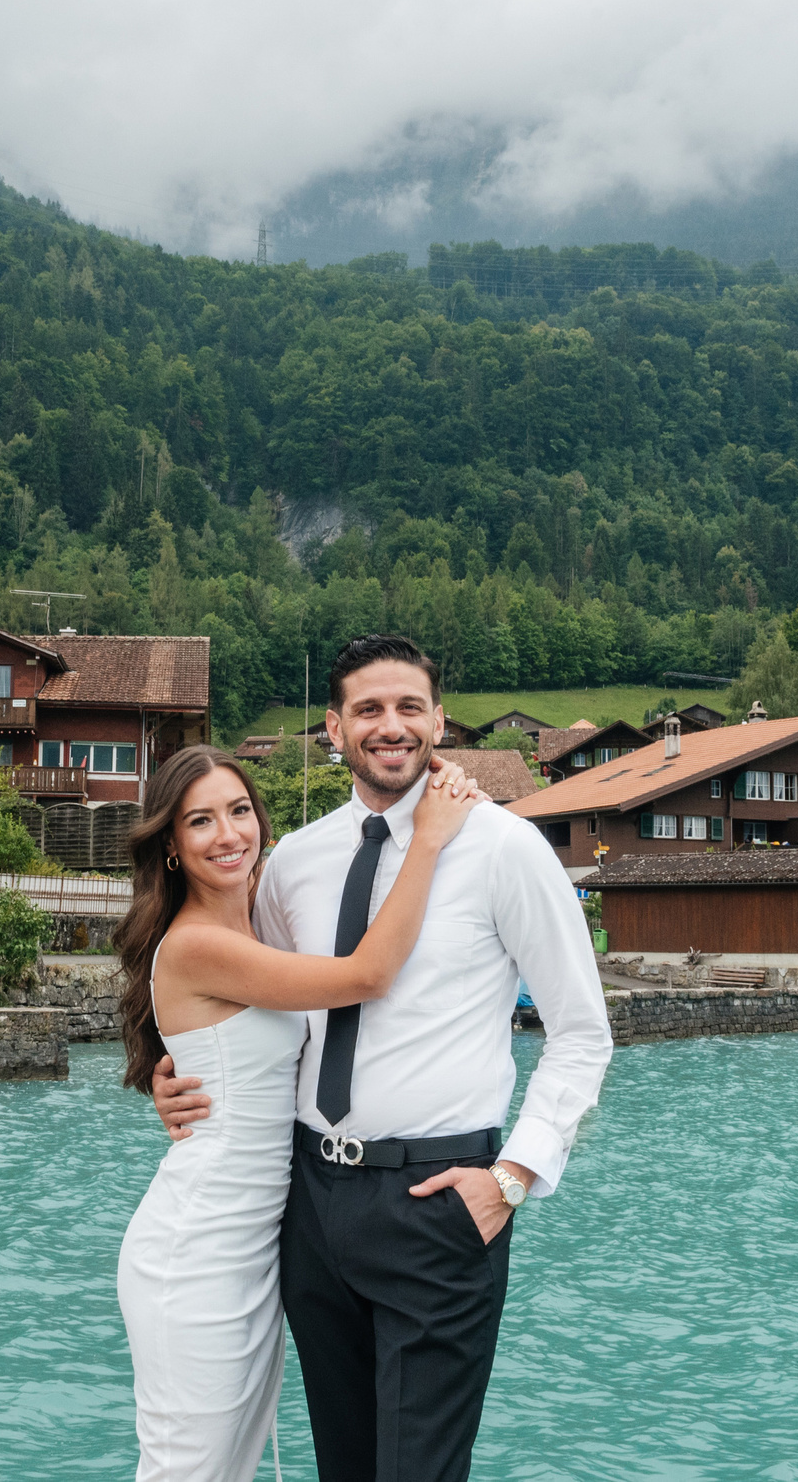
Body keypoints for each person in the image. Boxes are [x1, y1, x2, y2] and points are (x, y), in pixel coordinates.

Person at [152, 634, 613, 1481]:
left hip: (438, 1202)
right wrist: (177, 1070)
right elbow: (257, 999)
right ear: (335, 728)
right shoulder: (293, 862)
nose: (390, 725)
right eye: (369, 708)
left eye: (409, 707)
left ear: (439, 720)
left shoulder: (505, 847)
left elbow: (583, 1030)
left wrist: (514, 1175)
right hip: (309, 1202)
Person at [116, 742, 487, 1482]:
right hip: (201, 1249)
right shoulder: (197, 944)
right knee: (187, 1469)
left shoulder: (253, 922)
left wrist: (174, 1074)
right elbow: (368, 974)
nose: (228, 834)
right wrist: (431, 839)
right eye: (200, 821)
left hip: (258, 1246)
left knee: (228, 1468)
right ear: (169, 846)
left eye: (239, 810)